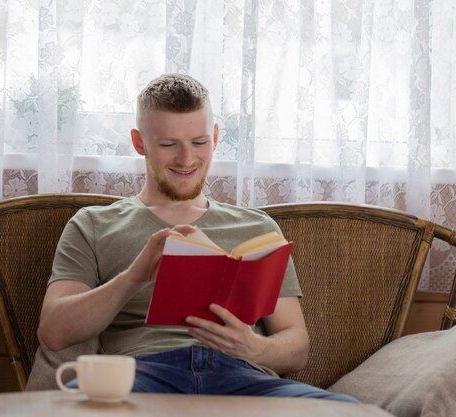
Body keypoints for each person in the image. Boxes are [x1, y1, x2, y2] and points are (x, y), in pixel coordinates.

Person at [35, 73, 357, 402]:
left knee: (350, 411)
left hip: (243, 377)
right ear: (139, 142)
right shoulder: (93, 224)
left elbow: (297, 346)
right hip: (144, 375)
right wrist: (135, 276)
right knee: (72, 406)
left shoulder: (258, 228)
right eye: (169, 144)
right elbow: (55, 331)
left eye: (199, 142)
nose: (187, 159)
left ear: (216, 137)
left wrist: (254, 347)